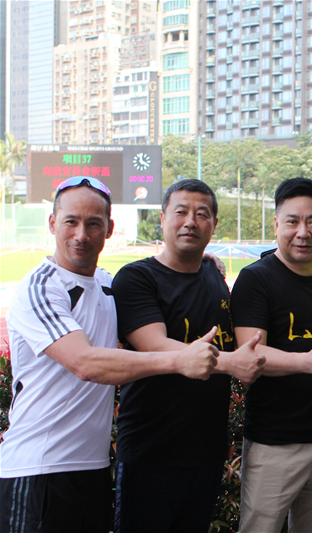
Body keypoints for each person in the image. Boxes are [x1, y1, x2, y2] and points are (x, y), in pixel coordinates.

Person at [0, 177, 220, 533]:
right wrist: (180, 360)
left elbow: (161, 285)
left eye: (93, 223)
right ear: (53, 223)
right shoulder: (41, 287)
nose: (81, 235)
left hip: (94, 470)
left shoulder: (107, 284)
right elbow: (85, 363)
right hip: (39, 468)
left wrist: (204, 263)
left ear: (109, 229)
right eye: (71, 221)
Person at [111, 179, 264, 532]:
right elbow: (155, 345)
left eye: (202, 214)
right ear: (162, 219)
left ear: (214, 224)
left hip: (206, 452)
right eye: (180, 212)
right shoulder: (136, 279)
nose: (190, 222)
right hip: (151, 452)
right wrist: (231, 363)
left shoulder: (212, 273)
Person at [230, 178, 312, 533]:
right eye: (293, 221)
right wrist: (306, 362)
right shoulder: (256, 280)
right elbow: (249, 354)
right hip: (275, 442)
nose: (304, 232)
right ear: (276, 225)